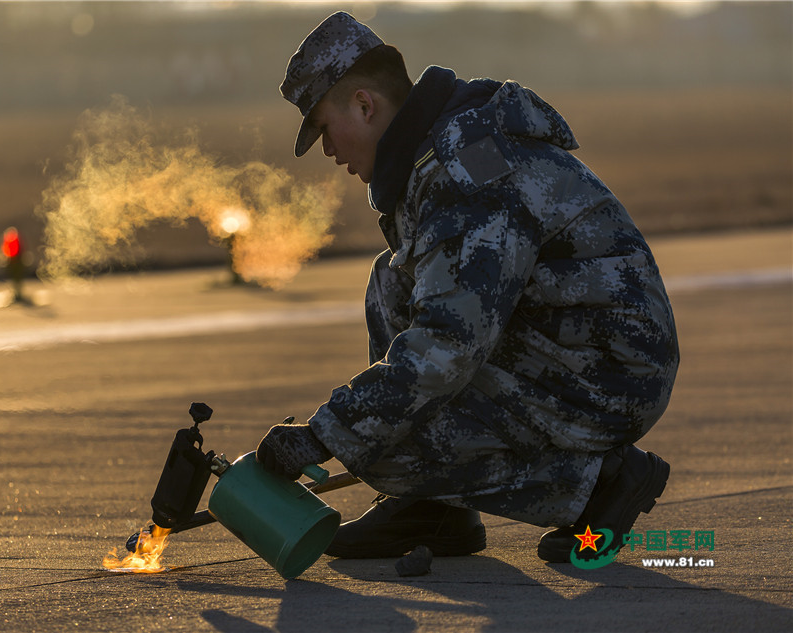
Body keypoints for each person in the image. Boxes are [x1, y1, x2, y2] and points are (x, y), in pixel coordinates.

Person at [255, 12, 679, 563]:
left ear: (364, 105)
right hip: (570, 346)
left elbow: (446, 345)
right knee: (393, 279)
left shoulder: (465, 172)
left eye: (323, 127)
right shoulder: (438, 155)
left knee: (382, 446)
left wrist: (326, 435)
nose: (328, 151)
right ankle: (433, 512)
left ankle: (600, 483)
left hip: (609, 374)